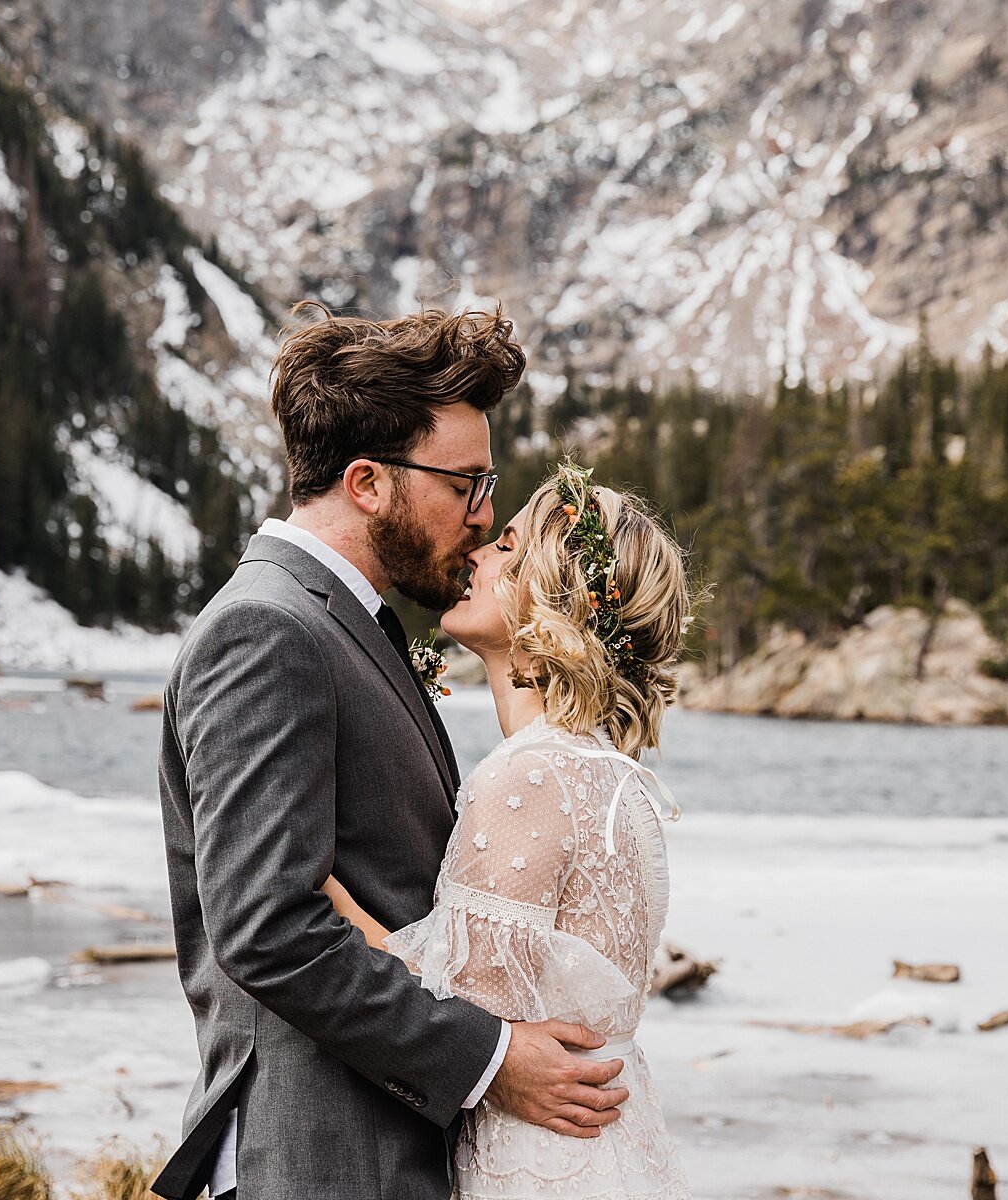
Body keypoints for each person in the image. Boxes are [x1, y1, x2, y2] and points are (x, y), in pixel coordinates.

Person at [151, 306, 629, 1200]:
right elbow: (270, 931)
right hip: (314, 1162)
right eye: (466, 485)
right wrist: (491, 1060)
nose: (483, 520)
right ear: (368, 482)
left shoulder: (341, 624)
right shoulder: (268, 631)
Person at [324, 461, 696, 1200]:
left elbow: (455, 1014)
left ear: (549, 596)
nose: (478, 549)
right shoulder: (606, 774)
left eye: (508, 547)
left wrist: (311, 880)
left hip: (540, 1165)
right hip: (601, 1152)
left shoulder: (533, 777)